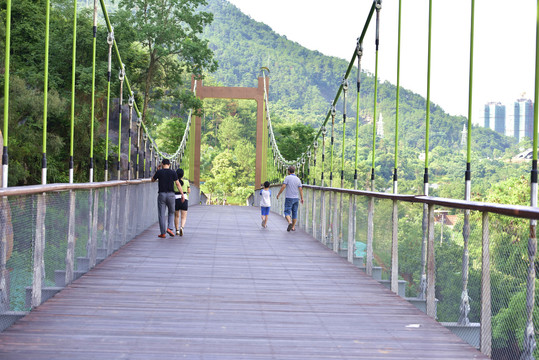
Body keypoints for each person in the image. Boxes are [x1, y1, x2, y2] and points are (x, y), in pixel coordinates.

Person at [151, 159, 184, 238]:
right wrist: (182, 194)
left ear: (162, 164)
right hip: (171, 195)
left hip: (162, 195)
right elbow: (177, 184)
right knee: (171, 212)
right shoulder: (173, 172)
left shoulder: (159, 172)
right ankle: (170, 228)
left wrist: (157, 171)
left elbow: (152, 180)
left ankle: (163, 233)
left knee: (161, 214)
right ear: (169, 165)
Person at [276, 165, 304, 232]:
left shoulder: (287, 178)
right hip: (296, 198)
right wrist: (302, 198)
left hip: (289, 198)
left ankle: (289, 222)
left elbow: (283, 186)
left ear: (288, 171)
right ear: (294, 171)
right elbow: (300, 189)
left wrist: (278, 194)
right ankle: (293, 227)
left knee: (286, 212)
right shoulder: (298, 179)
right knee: (294, 212)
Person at [174, 168, 190, 236]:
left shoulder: (174, 181)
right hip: (184, 199)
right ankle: (182, 227)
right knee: (183, 217)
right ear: (183, 175)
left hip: (176, 199)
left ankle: (177, 230)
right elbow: (189, 191)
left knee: (176, 216)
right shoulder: (186, 182)